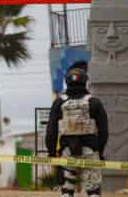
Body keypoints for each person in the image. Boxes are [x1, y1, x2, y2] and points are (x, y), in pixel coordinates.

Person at [45, 68, 108, 197]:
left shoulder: (59, 102)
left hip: (66, 150)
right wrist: (100, 151)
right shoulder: (94, 102)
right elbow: (104, 131)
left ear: (67, 82)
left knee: (67, 191)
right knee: (93, 190)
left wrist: (52, 153)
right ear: (85, 82)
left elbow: (51, 131)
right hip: (90, 150)